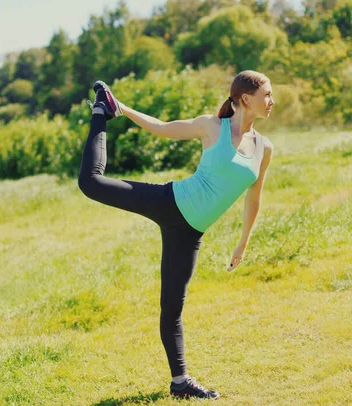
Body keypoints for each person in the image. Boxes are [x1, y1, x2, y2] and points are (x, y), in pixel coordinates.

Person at [78, 71, 274, 399]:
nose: (272, 101)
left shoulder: (264, 148)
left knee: (172, 307)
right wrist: (121, 109)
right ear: (245, 99)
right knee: (91, 183)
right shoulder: (212, 126)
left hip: (190, 234)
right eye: (266, 94)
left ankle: (180, 383)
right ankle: (102, 111)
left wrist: (244, 241)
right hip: (170, 202)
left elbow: (254, 197)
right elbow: (162, 128)